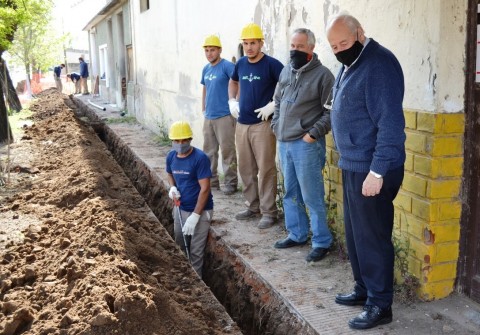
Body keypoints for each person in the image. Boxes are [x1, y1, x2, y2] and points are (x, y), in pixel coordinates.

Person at [326, 13, 406, 330]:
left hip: (372, 169)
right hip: (353, 163)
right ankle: (364, 290)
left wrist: (377, 171)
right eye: (333, 46)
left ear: (360, 33)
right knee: (357, 235)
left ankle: (379, 305)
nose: (339, 50)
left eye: (344, 43)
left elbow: (391, 126)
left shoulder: (379, 65)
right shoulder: (350, 64)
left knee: (373, 238)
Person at [271, 28, 334, 262]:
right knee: (290, 192)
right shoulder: (287, 70)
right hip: (284, 142)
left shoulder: (324, 75)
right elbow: (277, 100)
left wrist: (312, 135)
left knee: (312, 195)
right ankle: (297, 234)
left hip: (306, 144)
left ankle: (321, 241)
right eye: (293, 46)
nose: (294, 50)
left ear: (311, 48)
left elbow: (331, 112)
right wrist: (276, 126)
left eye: (300, 46)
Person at [228, 23, 284, 229]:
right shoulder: (241, 63)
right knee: (246, 168)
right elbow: (233, 82)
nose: (249, 47)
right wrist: (232, 100)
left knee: (266, 169)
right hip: (242, 125)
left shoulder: (272, 64)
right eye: (245, 43)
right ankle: (252, 206)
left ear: (261, 43)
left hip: (262, 124)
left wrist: (275, 104)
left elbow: (289, 84)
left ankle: (269, 212)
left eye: (253, 43)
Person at [166, 121, 213, 278]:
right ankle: (183, 280)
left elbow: (205, 188)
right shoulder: (171, 156)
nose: (181, 144)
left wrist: (196, 215)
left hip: (200, 211)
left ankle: (197, 286)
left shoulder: (200, 158)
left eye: (184, 140)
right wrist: (172, 188)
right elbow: (170, 174)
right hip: (180, 208)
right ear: (172, 141)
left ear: (190, 139)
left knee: (195, 252)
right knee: (179, 245)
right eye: (177, 141)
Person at [201, 35, 238, 195]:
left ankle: (231, 183)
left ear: (219, 50)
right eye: (207, 50)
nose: (209, 53)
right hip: (209, 116)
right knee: (209, 152)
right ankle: (212, 182)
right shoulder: (206, 69)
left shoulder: (227, 66)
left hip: (224, 116)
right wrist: (203, 108)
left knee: (227, 151)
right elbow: (205, 88)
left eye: (212, 50)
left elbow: (238, 82)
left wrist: (235, 103)